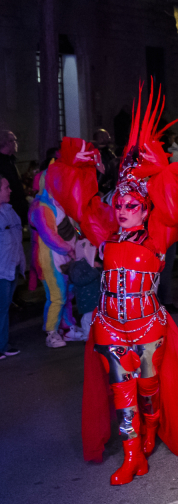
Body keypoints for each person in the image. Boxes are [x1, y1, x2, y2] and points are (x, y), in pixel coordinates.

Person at [45, 83, 178, 485]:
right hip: (111, 327)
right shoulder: (107, 229)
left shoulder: (158, 234)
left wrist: (156, 164)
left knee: (147, 390)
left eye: (132, 205)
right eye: (120, 204)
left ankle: (149, 433)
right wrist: (75, 159)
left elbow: (175, 191)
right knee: (122, 396)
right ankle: (132, 457)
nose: (124, 210)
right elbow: (76, 199)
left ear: (145, 207)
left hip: (148, 327)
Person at [29, 150, 84, 347]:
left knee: (67, 294)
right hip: (51, 259)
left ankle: (68, 327)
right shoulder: (41, 206)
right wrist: (69, 249)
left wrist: (81, 238)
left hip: (66, 258)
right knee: (57, 296)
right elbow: (49, 235)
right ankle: (51, 331)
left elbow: (74, 225)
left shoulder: (60, 202)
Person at [0, 177, 26, 357]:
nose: (10, 190)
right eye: (6, 187)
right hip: (1, 270)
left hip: (12, 266)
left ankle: (3, 344)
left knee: (4, 308)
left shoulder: (9, 211)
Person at [0, 130, 29, 227]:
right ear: (7, 143)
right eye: (14, 140)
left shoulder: (11, 160)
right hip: (9, 205)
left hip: (17, 204)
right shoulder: (2, 162)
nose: (16, 143)